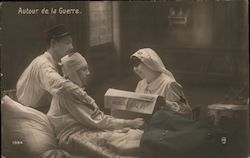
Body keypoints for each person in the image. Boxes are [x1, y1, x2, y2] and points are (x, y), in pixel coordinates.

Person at [47, 52, 144, 158]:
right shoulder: (67, 93)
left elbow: (95, 118)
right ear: (73, 72)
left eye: (87, 69)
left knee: (131, 135)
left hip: (86, 127)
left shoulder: (73, 90)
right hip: (72, 136)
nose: (88, 73)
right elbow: (96, 120)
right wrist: (129, 123)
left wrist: (127, 124)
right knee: (122, 142)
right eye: (83, 70)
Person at [16, 24, 98, 112]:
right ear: (53, 43)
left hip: (42, 109)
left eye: (71, 43)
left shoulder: (57, 62)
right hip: (30, 112)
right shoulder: (43, 64)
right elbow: (61, 85)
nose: (71, 47)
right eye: (67, 43)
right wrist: (87, 98)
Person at [130, 48, 192, 117]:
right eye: (133, 66)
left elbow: (186, 112)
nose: (135, 69)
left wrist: (165, 104)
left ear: (149, 63)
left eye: (137, 65)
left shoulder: (169, 84)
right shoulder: (141, 84)